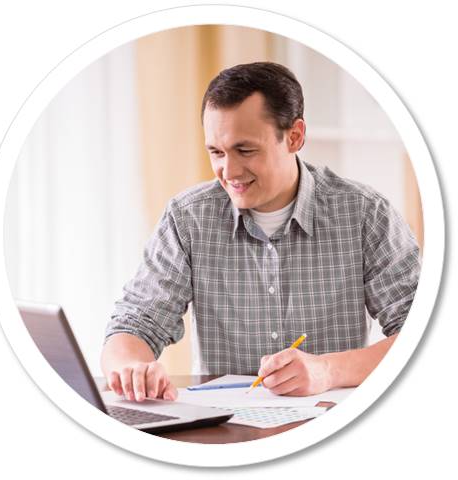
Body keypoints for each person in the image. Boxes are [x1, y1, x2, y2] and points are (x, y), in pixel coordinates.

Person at [100, 62, 421, 403]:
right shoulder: (188, 218)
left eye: (245, 150)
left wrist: (327, 371)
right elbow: (135, 323)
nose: (229, 171)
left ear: (294, 136)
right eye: (216, 152)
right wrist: (132, 367)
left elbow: (422, 333)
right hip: (225, 431)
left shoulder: (365, 213)